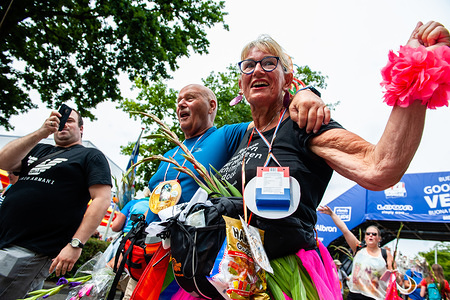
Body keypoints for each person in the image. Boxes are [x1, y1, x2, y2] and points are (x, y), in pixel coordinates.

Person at [217, 20, 449, 299]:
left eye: (268, 63)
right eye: (248, 65)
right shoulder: (239, 138)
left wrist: (418, 64)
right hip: (233, 276)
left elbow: (380, 167)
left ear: (288, 80)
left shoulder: (302, 123)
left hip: (286, 279)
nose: (256, 70)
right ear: (241, 84)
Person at [120, 84, 330, 299]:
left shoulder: (227, 135)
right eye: (179, 100)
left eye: (190, 98)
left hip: (188, 259)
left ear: (212, 106)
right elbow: (154, 202)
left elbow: (271, 118)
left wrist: (304, 93)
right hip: (147, 259)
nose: (181, 103)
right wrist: (130, 243)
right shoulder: (168, 153)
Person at [0, 108, 112, 299]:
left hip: (32, 249)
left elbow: (102, 199)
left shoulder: (90, 156)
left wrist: (76, 244)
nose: (63, 124)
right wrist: (41, 132)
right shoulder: (37, 149)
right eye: (59, 120)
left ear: (81, 129)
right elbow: (4, 161)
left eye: (69, 121)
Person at [319, 206, 394, 299]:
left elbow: (393, 276)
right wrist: (332, 214)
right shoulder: (358, 248)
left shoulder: (385, 254)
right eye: (368, 233)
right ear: (365, 237)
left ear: (379, 239)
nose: (370, 235)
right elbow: (345, 230)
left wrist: (393, 273)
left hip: (375, 297)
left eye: (374, 234)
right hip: (355, 295)